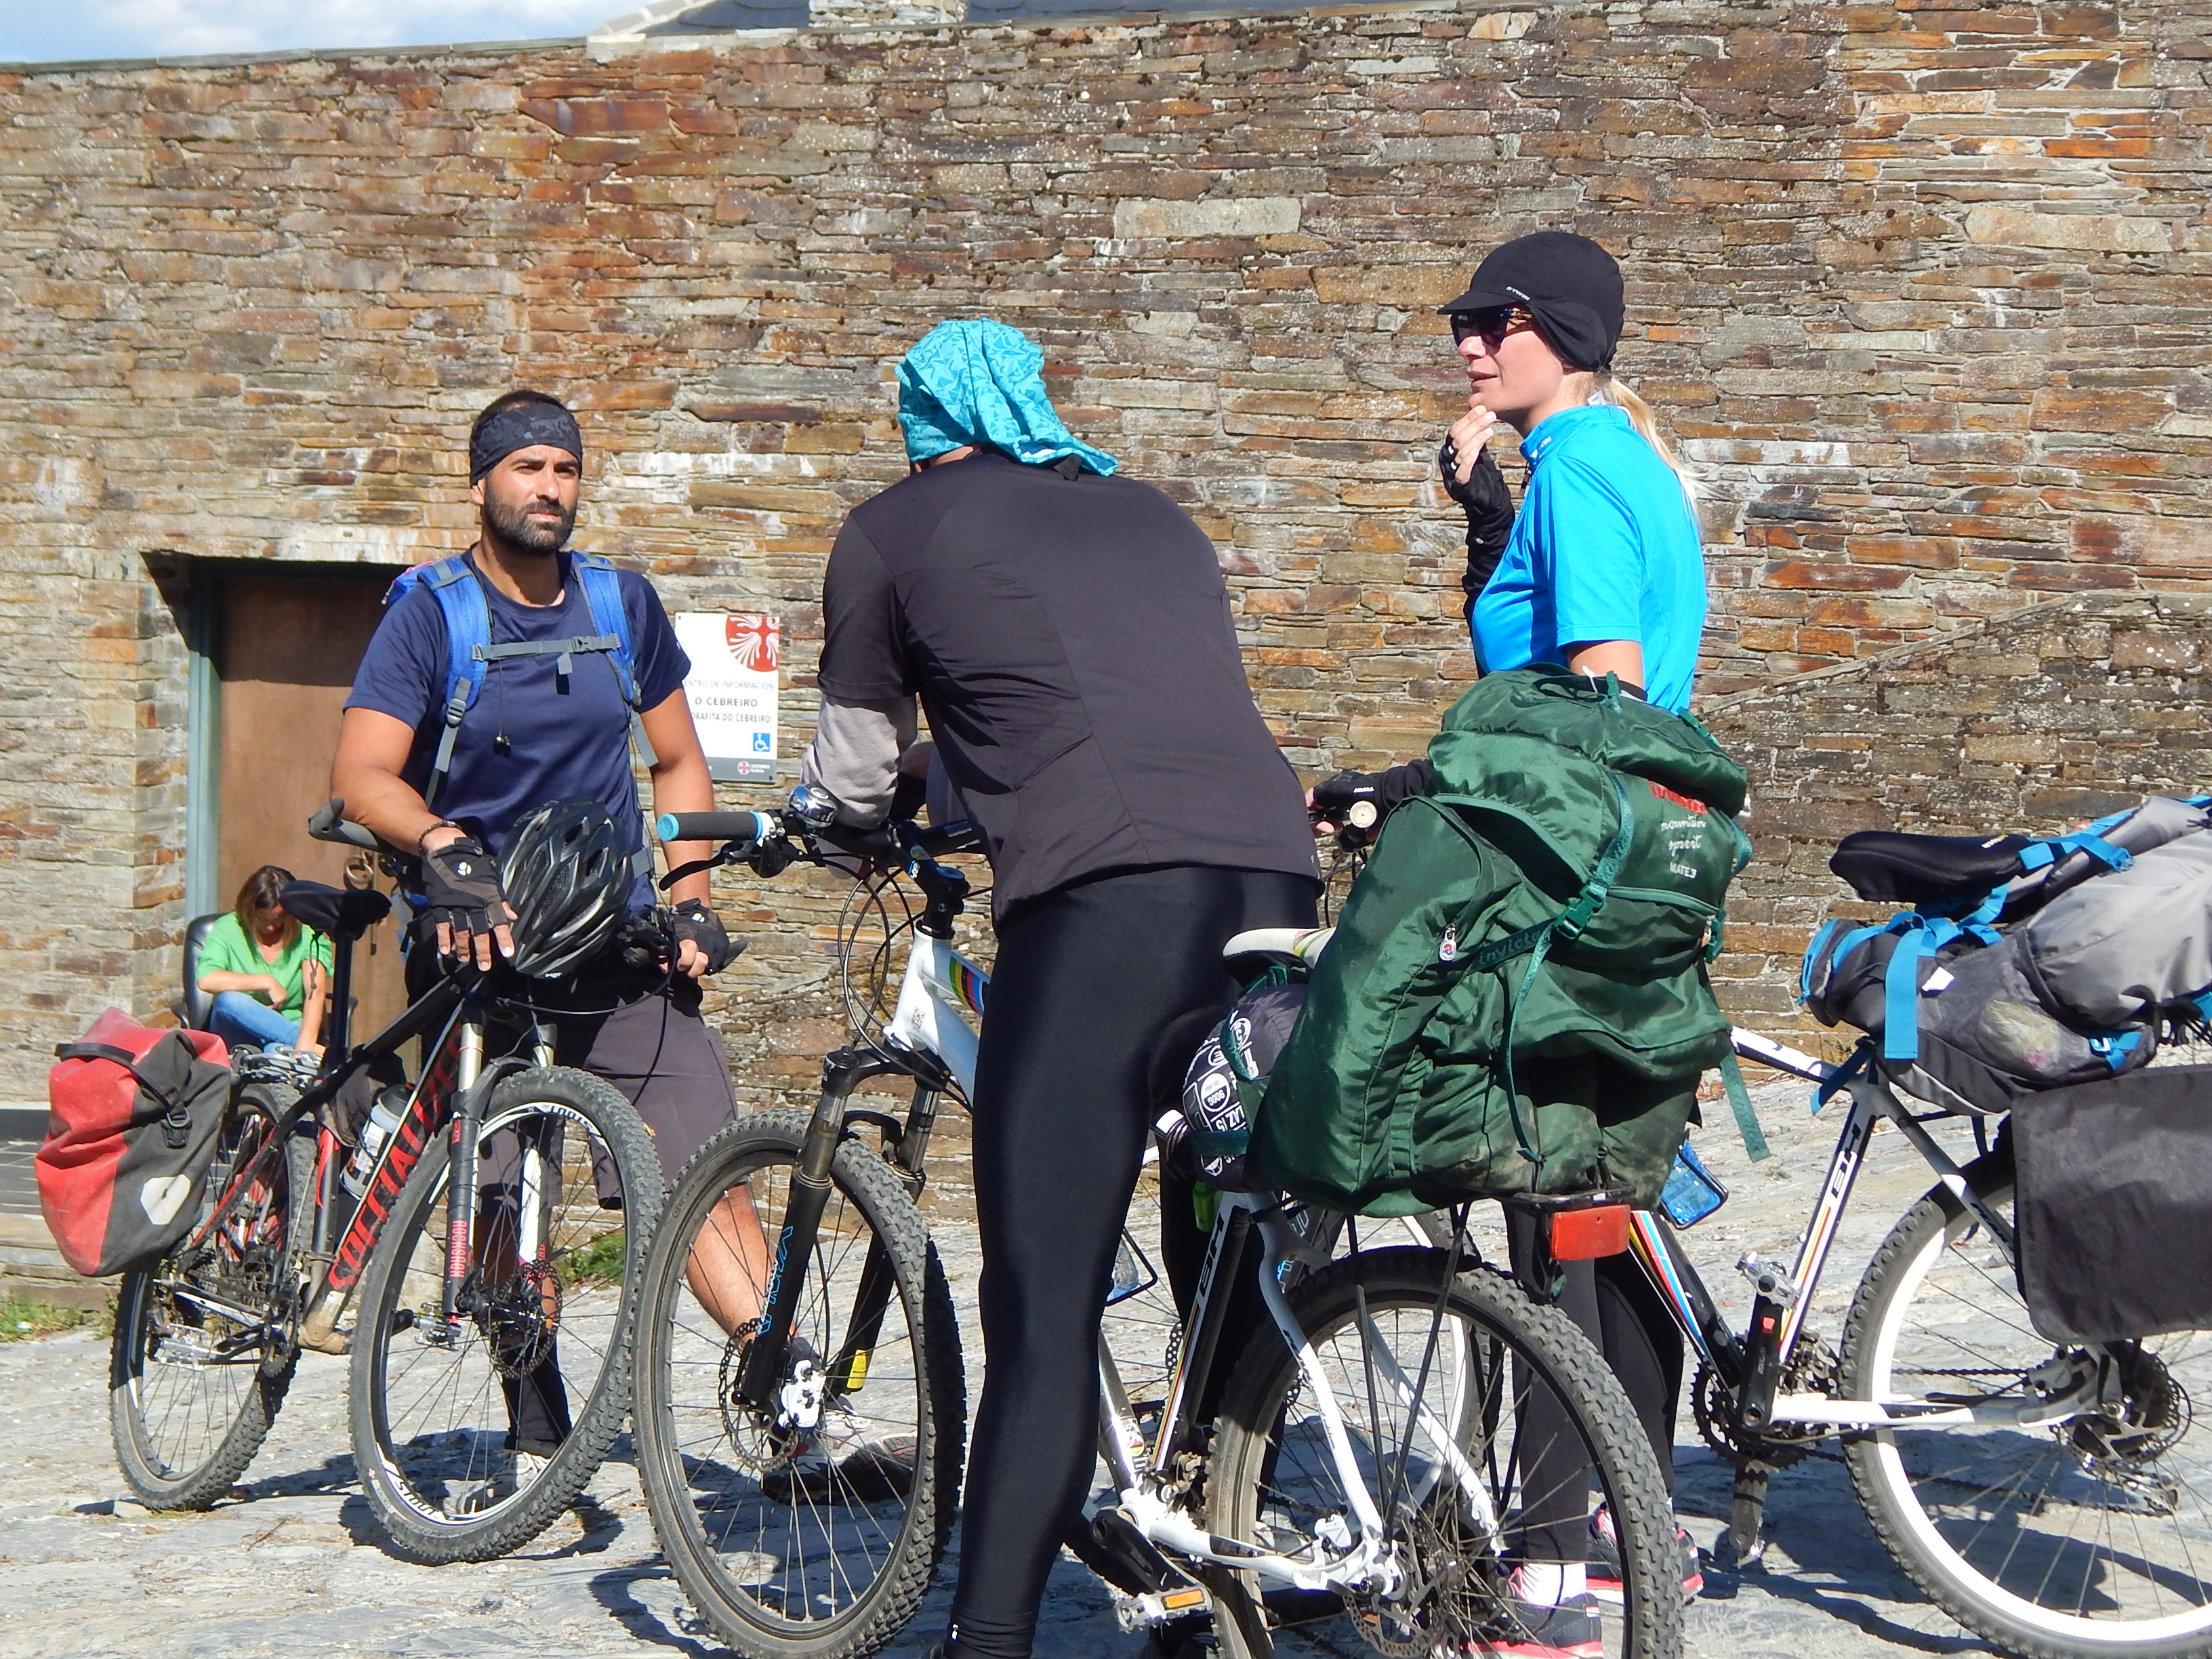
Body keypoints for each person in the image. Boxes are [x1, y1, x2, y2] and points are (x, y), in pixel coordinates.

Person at [796, 319, 1321, 1659]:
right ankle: (1203, 1545)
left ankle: (991, 1638)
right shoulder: (1151, 516)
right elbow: (1100, 702)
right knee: (1225, 1243)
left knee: (1039, 1304)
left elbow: (857, 775)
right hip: (1271, 881)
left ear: (922, 416)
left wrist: (836, 818)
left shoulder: (893, 530)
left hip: (1103, 919)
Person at [1313, 231, 1710, 1657]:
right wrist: (1487, 516)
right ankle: (1617, 1523)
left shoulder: (1590, 469)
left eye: (1503, 321)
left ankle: (1548, 1566)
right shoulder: (1619, 466)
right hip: (1628, 862)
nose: (1473, 343)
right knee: (1598, 1187)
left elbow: (1598, 689)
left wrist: (1445, 794)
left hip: (1568, 877)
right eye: (1468, 319)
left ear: (1566, 332)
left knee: (1540, 1193)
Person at [330, 388, 759, 1497]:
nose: (548, 489)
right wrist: (443, 848)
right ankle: (536, 1418)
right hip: (479, 955)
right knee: (505, 1196)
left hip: (612, 943)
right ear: (482, 483)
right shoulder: (430, 612)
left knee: (708, 1167)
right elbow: (362, 772)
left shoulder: (622, 604)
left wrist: (692, 893)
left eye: (564, 470)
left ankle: (786, 1393)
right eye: (525, 468)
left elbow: (676, 761)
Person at [195, 865, 333, 1057]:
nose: (270, 927)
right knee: (229, 999)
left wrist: (303, 1044)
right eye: (261, 918)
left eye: (279, 919)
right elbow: (206, 979)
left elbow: (315, 992)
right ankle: (319, 1053)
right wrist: (265, 982)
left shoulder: (308, 934)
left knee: (274, 1051)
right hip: (237, 1030)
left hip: (288, 1026)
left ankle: (296, 1049)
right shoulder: (228, 928)